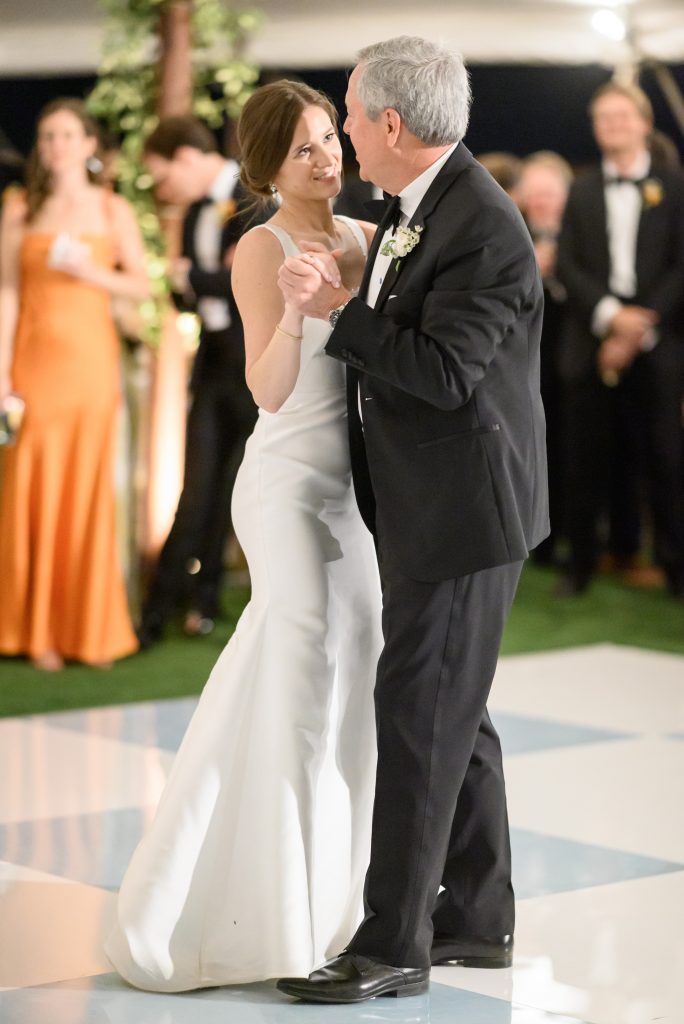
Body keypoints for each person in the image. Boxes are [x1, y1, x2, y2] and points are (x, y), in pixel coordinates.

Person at [276, 36, 548, 1003]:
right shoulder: (427, 207)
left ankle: (393, 943)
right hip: (436, 497)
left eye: (350, 113)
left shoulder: (480, 223)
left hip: (466, 509)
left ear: (392, 123)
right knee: (454, 715)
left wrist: (343, 310)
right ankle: (477, 920)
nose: (345, 130)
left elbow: (439, 375)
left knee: (422, 717)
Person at [105, 80, 383, 990]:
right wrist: (306, 306)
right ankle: (263, 912)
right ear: (267, 167)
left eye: (330, 141)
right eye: (304, 149)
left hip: (356, 494)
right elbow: (266, 389)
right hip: (288, 485)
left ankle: (343, 894)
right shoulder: (260, 248)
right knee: (299, 663)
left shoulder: (371, 238)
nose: (327, 158)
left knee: (361, 661)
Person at [0, 98, 148, 670]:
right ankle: (34, 630)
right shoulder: (18, 207)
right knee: (31, 487)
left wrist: (89, 271)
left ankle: (89, 629)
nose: (56, 146)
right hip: (33, 365)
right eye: (46, 137)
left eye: (66, 135)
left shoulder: (114, 212)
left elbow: (140, 286)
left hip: (90, 367)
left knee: (86, 492)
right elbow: (7, 294)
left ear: (89, 145)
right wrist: (3, 373)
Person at [556, 82, 684, 598]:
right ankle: (580, 563)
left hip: (659, 340)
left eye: (621, 116)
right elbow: (569, 262)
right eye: (602, 117)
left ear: (644, 123)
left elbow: (681, 265)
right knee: (585, 458)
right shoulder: (582, 189)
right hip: (593, 340)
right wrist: (611, 318)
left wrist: (640, 326)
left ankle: (675, 567)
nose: (612, 125)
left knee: (665, 457)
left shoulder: (674, 185)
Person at [137, 116, 259, 646]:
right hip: (209, 366)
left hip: (253, 369)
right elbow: (187, 290)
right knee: (196, 488)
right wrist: (195, 280)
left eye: (163, 177)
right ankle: (158, 609)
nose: (162, 189)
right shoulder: (191, 213)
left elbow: (249, 280)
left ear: (187, 158)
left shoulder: (256, 198)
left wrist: (196, 275)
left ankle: (204, 600)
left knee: (233, 491)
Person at [518, 151, 573, 566]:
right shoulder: (512, 232)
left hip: (572, 358)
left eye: (548, 193)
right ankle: (541, 542)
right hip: (528, 364)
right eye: (533, 193)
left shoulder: (582, 235)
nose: (540, 201)